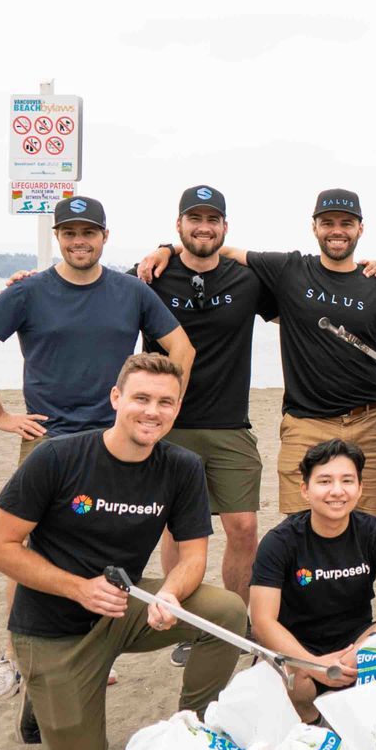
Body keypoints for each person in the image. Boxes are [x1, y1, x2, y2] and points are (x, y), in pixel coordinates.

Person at [0, 195, 196, 707]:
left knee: (104, 551)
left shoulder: (130, 291)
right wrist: (0, 416)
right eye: (69, 234)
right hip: (52, 440)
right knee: (26, 552)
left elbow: (182, 348)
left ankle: (86, 649)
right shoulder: (29, 292)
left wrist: (162, 408)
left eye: (88, 233)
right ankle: (12, 659)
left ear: (104, 237)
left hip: (115, 439)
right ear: (58, 239)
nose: (79, 241)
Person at [0, 353, 247, 750]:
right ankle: (41, 690)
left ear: (177, 409)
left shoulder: (182, 467)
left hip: (122, 610)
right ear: (116, 397)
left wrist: (170, 593)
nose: (152, 411)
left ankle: (192, 729)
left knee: (228, 612)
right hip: (53, 626)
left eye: (165, 402)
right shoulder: (56, 458)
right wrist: (77, 588)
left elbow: (194, 555)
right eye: (141, 398)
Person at [139, 188, 376, 517]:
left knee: (364, 525)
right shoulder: (289, 269)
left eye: (346, 223)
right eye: (328, 222)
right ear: (314, 227)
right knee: (301, 526)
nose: (337, 230)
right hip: (305, 423)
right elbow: (217, 247)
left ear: (360, 228)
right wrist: (166, 249)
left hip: (368, 421)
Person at [144, 187, 278, 671]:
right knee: (178, 533)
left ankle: (235, 622)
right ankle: (188, 623)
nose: (204, 227)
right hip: (167, 423)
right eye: (194, 219)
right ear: (178, 225)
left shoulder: (247, 280)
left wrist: (367, 270)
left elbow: (307, 292)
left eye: (213, 220)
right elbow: (95, 294)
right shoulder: (151, 277)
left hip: (229, 422)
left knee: (242, 527)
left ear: (225, 227)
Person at [250, 438, 376, 722]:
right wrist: (312, 664)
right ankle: (313, 720)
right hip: (299, 646)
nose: (337, 491)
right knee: (290, 681)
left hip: (355, 641)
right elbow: (262, 620)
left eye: (347, 481)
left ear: (360, 488)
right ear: (305, 489)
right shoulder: (280, 541)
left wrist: (359, 653)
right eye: (325, 481)